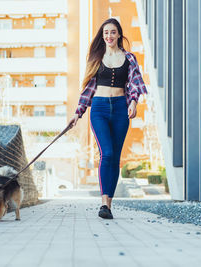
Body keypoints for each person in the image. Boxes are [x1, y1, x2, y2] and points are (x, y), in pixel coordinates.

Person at [69, 18, 147, 219]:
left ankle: (109, 206)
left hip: (121, 109)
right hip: (100, 109)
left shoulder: (129, 58)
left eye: (113, 32)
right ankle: (103, 203)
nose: (109, 36)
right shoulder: (96, 58)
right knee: (107, 153)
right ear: (102, 36)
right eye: (106, 33)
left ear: (119, 34)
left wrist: (133, 102)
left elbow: (135, 84)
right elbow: (89, 88)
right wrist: (78, 112)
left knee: (115, 158)